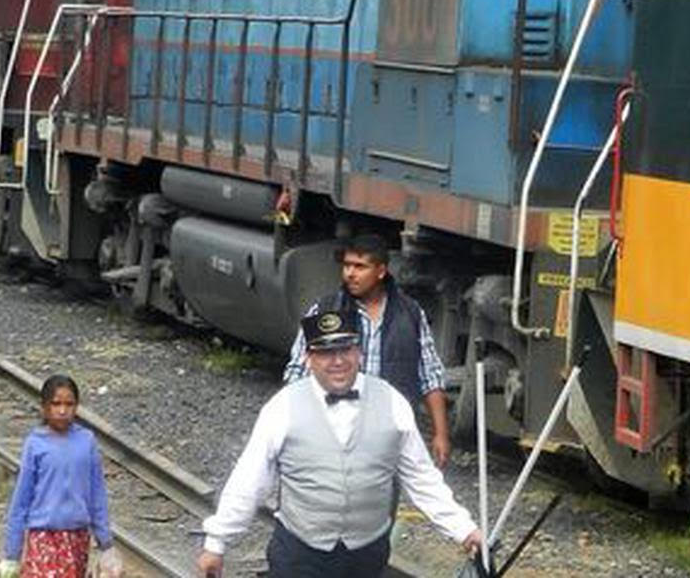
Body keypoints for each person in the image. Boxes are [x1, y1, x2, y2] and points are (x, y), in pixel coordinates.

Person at [202, 308, 482, 578]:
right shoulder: (283, 407)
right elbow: (250, 480)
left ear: (358, 352)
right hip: (300, 553)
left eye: (345, 350)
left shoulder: (392, 403)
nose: (337, 361)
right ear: (310, 358)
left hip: (366, 554)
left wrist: (464, 530)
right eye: (326, 353)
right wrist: (217, 542)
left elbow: (421, 477)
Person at [283, 233, 452, 467]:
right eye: (347, 265)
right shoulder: (326, 310)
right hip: (336, 429)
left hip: (388, 432)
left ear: (381, 271)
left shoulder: (410, 314)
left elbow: (430, 376)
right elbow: (297, 372)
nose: (350, 273)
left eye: (360, 266)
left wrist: (441, 434)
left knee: (384, 496)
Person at [0, 374, 120, 578]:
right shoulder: (35, 444)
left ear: (77, 406)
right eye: (56, 404)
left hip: (77, 539)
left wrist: (106, 544)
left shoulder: (86, 442)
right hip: (44, 538)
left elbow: (97, 496)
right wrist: (12, 553)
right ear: (44, 407)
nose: (62, 411)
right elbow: (21, 500)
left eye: (69, 404)